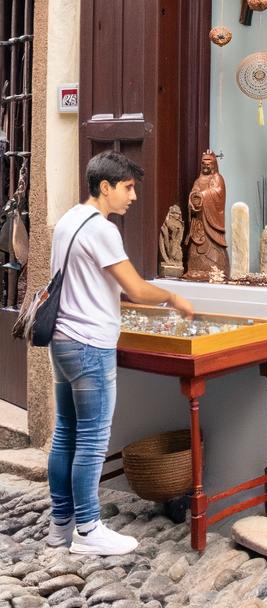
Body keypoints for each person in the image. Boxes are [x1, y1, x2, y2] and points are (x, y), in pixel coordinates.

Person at [47, 151, 195, 556]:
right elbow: (136, 288)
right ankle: (89, 529)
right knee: (93, 441)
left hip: (62, 342)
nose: (133, 196)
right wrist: (173, 296)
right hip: (91, 345)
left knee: (66, 435)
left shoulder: (67, 221)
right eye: (128, 188)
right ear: (105, 187)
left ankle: (61, 525)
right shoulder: (101, 230)